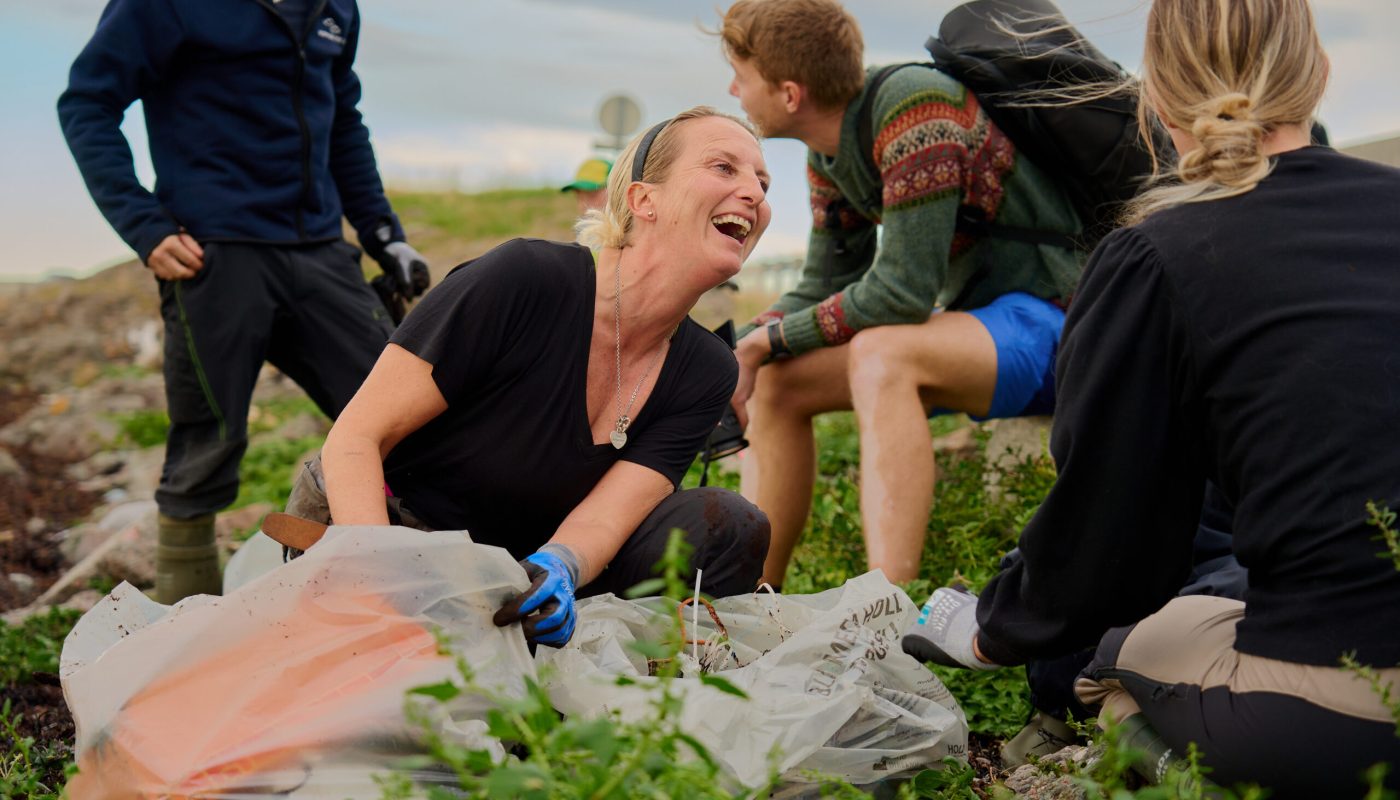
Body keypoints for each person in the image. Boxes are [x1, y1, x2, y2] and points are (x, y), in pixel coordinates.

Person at [901, 0, 1400, 795]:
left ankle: (1174, 769)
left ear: (1154, 100)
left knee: (1113, 658)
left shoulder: (1152, 255)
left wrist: (991, 632)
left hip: (1344, 710)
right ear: (1320, 75)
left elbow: (1111, 550)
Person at [302, 106, 773, 647]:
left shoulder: (707, 369)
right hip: (385, 528)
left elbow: (603, 519)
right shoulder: (525, 280)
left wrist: (560, 566)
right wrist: (379, 583)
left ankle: (628, 702)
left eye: (762, 182)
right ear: (644, 200)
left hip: (511, 570)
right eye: (724, 168)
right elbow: (357, 437)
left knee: (728, 522)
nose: (754, 194)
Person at [57, 0, 430, 604]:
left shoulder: (336, 9)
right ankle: (181, 629)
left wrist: (384, 234)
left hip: (320, 251)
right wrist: (143, 225)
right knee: (208, 445)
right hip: (215, 253)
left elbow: (342, 124)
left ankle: (415, 594)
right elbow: (86, 104)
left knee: (407, 419)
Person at [716, 0, 1084, 586]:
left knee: (882, 351)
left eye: (743, 75)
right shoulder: (831, 151)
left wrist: (766, 342)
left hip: (1067, 323)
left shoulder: (916, 109)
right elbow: (825, 282)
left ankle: (884, 609)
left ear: (790, 93)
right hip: (985, 326)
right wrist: (745, 346)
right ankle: (754, 597)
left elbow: (901, 295)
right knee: (780, 380)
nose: (734, 89)